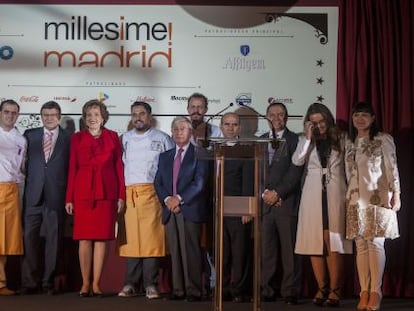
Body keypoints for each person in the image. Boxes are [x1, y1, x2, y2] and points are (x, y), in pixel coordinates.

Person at [293, 102, 352, 307]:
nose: (319, 126)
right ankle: (321, 287)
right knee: (314, 243)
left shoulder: (343, 138)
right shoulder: (304, 140)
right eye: (314, 122)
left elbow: (350, 168)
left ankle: (336, 290)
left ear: (328, 119)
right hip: (312, 195)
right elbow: (297, 161)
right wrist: (308, 139)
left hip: (336, 192)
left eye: (322, 121)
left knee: (333, 242)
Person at [65, 99, 125, 297]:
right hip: (82, 193)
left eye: (96, 115)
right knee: (84, 239)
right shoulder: (76, 138)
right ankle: (85, 283)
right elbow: (72, 168)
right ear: (84, 117)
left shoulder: (113, 137)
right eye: (89, 115)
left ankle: (97, 284)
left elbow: (118, 168)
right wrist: (69, 198)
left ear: (103, 117)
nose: (92, 118)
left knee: (101, 239)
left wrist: (120, 196)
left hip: (107, 193)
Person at [345, 102, 401, 311]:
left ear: (373, 118)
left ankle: (376, 292)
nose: (360, 119)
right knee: (360, 245)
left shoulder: (383, 139)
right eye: (356, 115)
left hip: (378, 197)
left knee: (376, 244)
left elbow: (392, 166)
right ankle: (364, 291)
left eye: (364, 115)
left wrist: (396, 193)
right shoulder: (350, 142)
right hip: (354, 199)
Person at [117, 101, 174, 299]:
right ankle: (130, 283)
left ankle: (151, 284)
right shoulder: (123, 139)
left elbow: (170, 169)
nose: (138, 117)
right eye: (134, 114)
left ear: (150, 117)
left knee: (152, 241)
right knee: (131, 241)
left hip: (153, 194)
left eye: (142, 113)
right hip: (130, 195)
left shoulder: (163, 138)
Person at [154, 116, 209, 302]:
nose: (179, 132)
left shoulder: (200, 154)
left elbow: (199, 183)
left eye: (182, 129)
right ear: (171, 132)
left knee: (190, 251)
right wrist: (168, 199)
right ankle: (178, 290)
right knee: (175, 251)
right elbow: (158, 182)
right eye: (175, 129)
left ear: (190, 132)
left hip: (189, 208)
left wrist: (179, 199)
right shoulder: (165, 156)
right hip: (170, 210)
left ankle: (193, 290)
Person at [21, 101, 70, 295]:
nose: (49, 118)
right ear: (41, 116)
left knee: (54, 241)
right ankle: (30, 282)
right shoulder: (29, 135)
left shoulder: (69, 138)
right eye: (45, 115)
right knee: (29, 241)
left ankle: (48, 282)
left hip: (56, 196)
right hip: (32, 196)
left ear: (59, 116)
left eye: (52, 115)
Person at [260, 102, 303, 305]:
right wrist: (265, 194)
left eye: (281, 114)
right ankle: (267, 290)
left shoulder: (295, 140)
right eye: (272, 114)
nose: (277, 117)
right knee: (266, 251)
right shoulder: (259, 141)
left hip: (286, 203)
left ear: (286, 117)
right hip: (265, 205)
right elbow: (255, 172)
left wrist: (278, 194)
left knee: (289, 251)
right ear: (267, 117)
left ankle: (289, 292)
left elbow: (295, 173)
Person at [219, 112, 254, 302]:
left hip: (238, 208)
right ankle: (222, 288)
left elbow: (249, 181)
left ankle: (239, 290)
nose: (230, 128)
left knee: (239, 252)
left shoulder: (246, 149)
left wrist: (246, 209)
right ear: (221, 126)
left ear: (239, 127)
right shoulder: (214, 148)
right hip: (217, 209)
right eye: (227, 124)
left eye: (234, 124)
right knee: (221, 252)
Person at [0, 99, 26, 296]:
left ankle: (2, 282)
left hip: (11, 190)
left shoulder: (21, 139)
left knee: (7, 240)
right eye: (7, 112)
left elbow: (20, 167)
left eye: (14, 113)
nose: (10, 115)